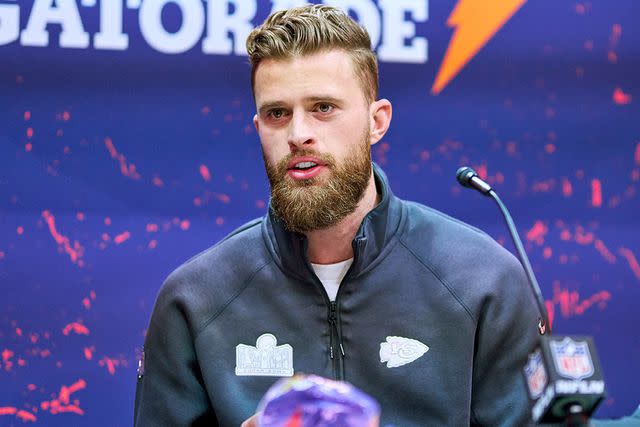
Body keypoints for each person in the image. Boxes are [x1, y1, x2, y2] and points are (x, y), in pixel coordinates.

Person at [133, 5, 541, 426]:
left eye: (323, 107)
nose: (297, 134)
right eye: (277, 114)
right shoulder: (195, 301)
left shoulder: (483, 282)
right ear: (258, 127)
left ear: (376, 121)